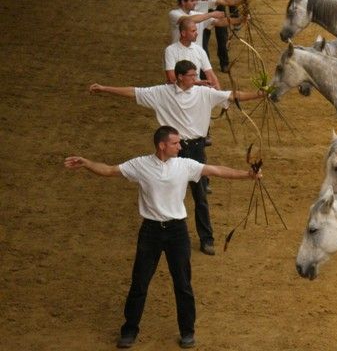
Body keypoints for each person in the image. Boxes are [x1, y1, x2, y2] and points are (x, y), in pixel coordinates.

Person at [64, 125, 261, 349]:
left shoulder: (185, 165)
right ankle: (129, 331)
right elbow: (109, 170)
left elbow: (216, 170)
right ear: (162, 145)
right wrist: (87, 163)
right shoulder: (140, 165)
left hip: (177, 232)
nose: (180, 146)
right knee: (139, 282)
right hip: (151, 232)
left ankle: (188, 332)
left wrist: (247, 175)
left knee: (183, 284)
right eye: (176, 143)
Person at [88, 60, 266, 256]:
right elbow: (133, 92)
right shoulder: (161, 93)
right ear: (180, 77)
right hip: (173, 148)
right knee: (163, 185)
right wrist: (104, 88)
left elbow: (233, 96)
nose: (196, 79)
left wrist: (259, 94)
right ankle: (161, 223)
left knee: (200, 195)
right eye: (192, 75)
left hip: (195, 147)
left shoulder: (204, 93)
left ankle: (207, 238)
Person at [168, 0, 241, 61]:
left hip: (197, 56)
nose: (195, 3)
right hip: (180, 56)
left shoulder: (198, 15)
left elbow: (219, 22)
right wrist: (211, 14)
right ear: (183, 2)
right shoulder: (174, 14)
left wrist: (240, 20)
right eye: (192, 1)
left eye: (195, 0)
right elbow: (188, 20)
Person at [165, 18, 219, 88]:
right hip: (177, 92)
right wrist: (197, 83)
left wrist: (221, 95)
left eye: (196, 30)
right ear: (183, 33)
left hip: (196, 92)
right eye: (193, 31)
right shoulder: (170, 50)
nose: (196, 33)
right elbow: (171, 78)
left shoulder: (200, 50)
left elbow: (211, 75)